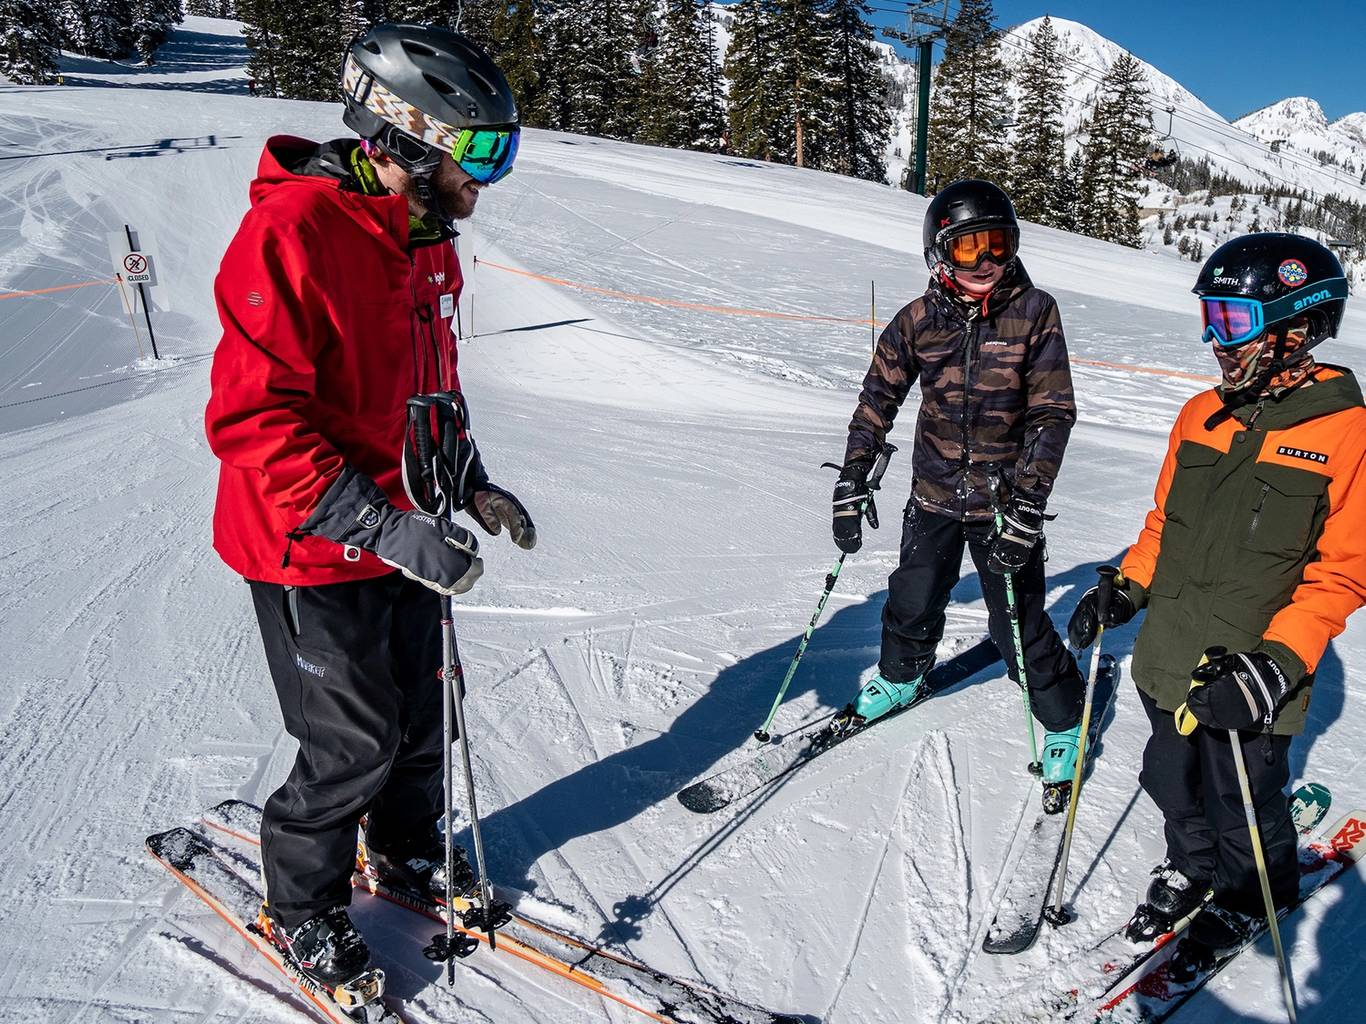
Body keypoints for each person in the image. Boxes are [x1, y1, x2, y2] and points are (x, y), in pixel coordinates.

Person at [205, 23, 534, 990]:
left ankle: (403, 851)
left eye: (501, 151)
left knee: (423, 719)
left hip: (404, 529)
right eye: (479, 151)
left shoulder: (426, 239)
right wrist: (383, 525)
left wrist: (468, 481)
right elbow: (251, 421)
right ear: (404, 135)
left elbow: (432, 387)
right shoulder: (294, 233)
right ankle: (301, 903)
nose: (490, 178)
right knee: (353, 741)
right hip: (308, 542)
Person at [1068, 233, 1364, 973]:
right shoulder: (1200, 413)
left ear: (1296, 329)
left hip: (1250, 670)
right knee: (1171, 780)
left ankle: (1250, 891)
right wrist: (1127, 585)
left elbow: (1343, 574)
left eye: (1232, 322)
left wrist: (1276, 665)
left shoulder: (1347, 432)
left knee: (1243, 799)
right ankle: (1189, 867)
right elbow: (1165, 524)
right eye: (1210, 317)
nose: (1214, 340)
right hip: (1170, 653)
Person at [833, 178, 1085, 781]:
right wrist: (853, 476)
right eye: (972, 249)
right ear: (940, 252)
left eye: (1000, 244)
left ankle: (1063, 714)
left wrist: (1028, 503)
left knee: (1015, 623)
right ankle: (901, 677)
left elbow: (1053, 412)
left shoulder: (1034, 312)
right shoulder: (917, 321)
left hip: (1005, 501)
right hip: (934, 493)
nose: (989, 262)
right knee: (912, 597)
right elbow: (877, 399)